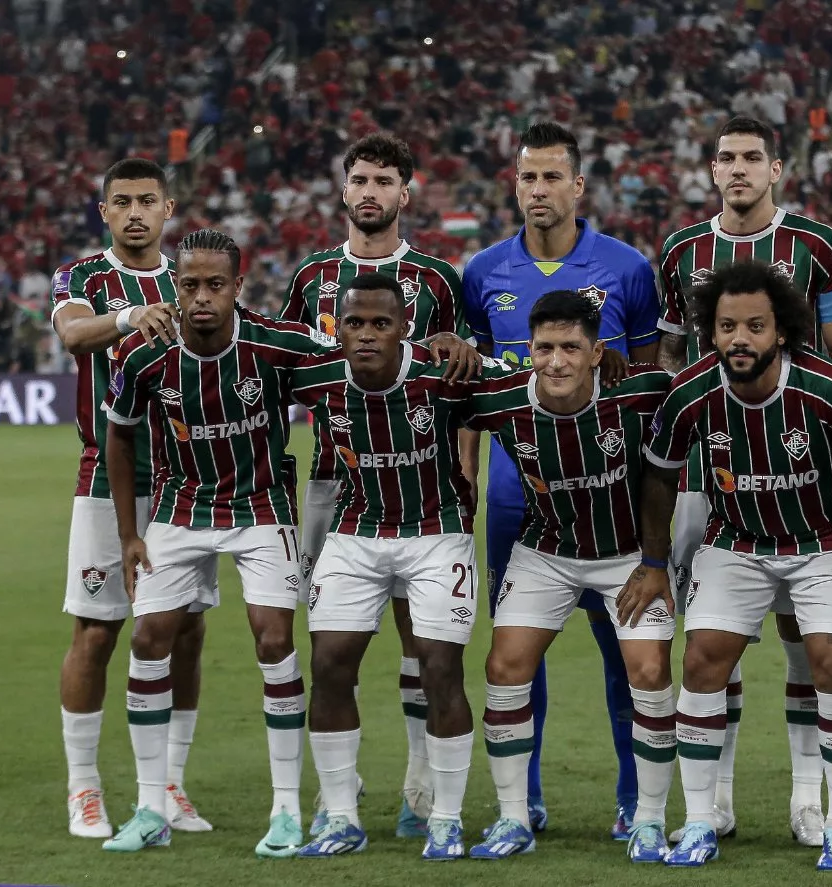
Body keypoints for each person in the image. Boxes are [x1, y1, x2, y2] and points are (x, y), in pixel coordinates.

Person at [620, 260, 832, 871]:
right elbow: (658, 477)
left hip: (825, 542)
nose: (740, 338)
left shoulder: (827, 390)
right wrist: (655, 563)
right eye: (727, 326)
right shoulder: (690, 393)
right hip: (736, 541)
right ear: (709, 332)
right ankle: (700, 822)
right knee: (703, 659)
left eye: (755, 326)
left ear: (782, 331)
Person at [656, 115, 832, 846]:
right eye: (725, 158)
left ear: (777, 169)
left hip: (807, 472)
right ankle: (719, 801)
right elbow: (672, 359)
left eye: (751, 158)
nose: (737, 169)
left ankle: (810, 796)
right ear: (711, 170)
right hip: (710, 477)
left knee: (810, 639)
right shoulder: (682, 249)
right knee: (713, 641)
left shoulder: (818, 244)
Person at [462, 121, 661, 836]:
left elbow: (647, 392)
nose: (538, 190)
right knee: (516, 656)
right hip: (518, 503)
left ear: (579, 186)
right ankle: (527, 801)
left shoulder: (628, 268)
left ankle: (636, 802)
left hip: (613, 506)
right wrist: (465, 485)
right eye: (527, 178)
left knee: (627, 659)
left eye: (552, 177)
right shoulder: (483, 272)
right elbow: (471, 395)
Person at [100, 230, 324, 856]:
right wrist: (128, 534)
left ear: (237, 287)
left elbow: (351, 372)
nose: (202, 297)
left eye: (215, 285)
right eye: (190, 284)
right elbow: (119, 437)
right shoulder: (143, 357)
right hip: (180, 509)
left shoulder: (276, 346)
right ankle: (150, 807)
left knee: (275, 638)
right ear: (175, 286)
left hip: (262, 508)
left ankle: (285, 810)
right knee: (148, 638)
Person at [279, 133, 474, 840]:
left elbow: (460, 382)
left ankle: (423, 779)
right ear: (342, 189)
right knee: (333, 646)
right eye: (358, 178)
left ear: (404, 193)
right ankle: (342, 792)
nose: (369, 191)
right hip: (340, 484)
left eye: (383, 180)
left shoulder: (436, 278)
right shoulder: (310, 277)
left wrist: (467, 473)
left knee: (421, 643)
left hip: (426, 484)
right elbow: (294, 370)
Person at [464, 291, 677, 863]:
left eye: (570, 348)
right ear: (528, 350)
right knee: (504, 667)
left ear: (595, 352)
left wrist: (660, 562)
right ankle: (512, 818)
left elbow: (700, 406)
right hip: (546, 553)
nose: (556, 361)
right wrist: (446, 347)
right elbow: (434, 395)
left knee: (649, 671)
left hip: (627, 558)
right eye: (544, 348)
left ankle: (650, 820)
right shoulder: (504, 401)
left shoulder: (640, 395)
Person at [51, 158, 210, 839]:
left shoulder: (194, 276)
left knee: (187, 632)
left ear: (169, 208)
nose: (137, 210)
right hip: (103, 477)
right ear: (105, 211)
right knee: (96, 629)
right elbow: (72, 334)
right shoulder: (81, 277)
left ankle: (169, 781)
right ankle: (83, 788)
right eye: (123, 201)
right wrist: (129, 316)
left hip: (187, 480)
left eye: (149, 199)